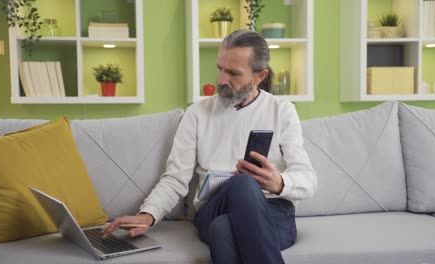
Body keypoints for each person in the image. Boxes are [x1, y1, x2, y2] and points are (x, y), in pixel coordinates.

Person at [103, 29, 317, 264]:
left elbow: (307, 179)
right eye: (219, 68)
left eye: (233, 73)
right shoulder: (197, 114)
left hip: (272, 211)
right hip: (214, 207)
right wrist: (148, 214)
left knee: (222, 230)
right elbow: (175, 178)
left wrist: (278, 182)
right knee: (243, 183)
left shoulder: (282, 110)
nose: (222, 80)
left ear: (259, 76)